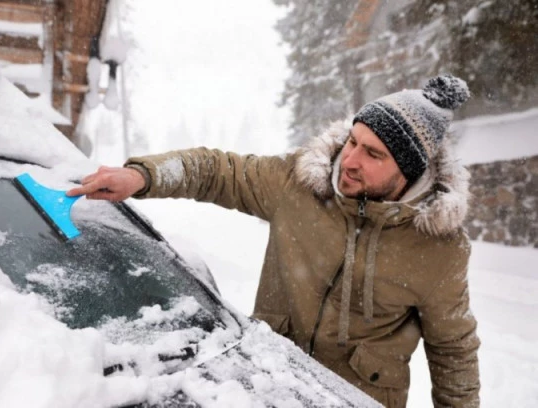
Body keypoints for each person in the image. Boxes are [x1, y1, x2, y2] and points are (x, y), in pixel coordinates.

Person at [67, 74, 480, 408]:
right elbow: (217, 171)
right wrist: (143, 176)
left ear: (409, 171)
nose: (350, 161)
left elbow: (453, 350)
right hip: (267, 382)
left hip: (357, 399)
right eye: (353, 141)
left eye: (374, 155)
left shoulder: (438, 245)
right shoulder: (300, 183)